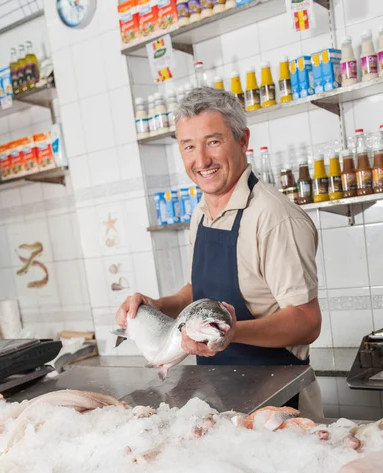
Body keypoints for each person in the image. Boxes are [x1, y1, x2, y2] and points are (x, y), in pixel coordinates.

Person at [116, 87, 323, 418]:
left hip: (279, 402)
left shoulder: (274, 217)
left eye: (213, 142)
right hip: (218, 398)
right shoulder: (201, 213)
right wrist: (155, 306)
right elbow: (196, 293)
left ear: (242, 141)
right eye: (188, 147)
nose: (201, 161)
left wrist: (234, 332)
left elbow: (307, 321)